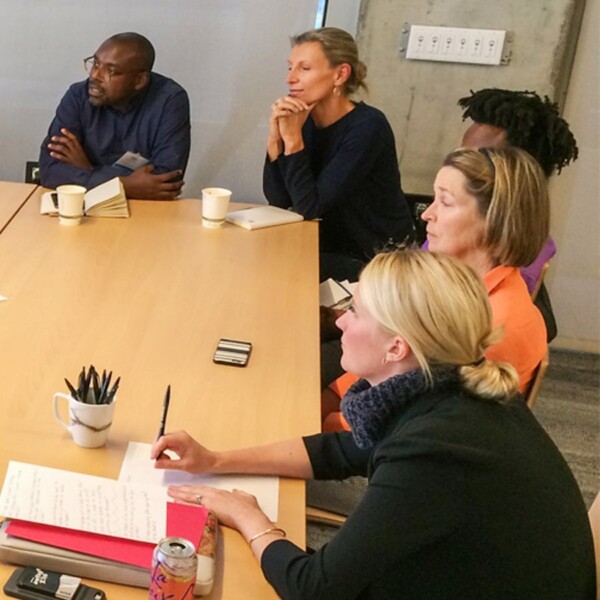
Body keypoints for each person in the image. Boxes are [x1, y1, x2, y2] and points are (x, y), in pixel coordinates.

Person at [152, 250, 595, 599]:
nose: (341, 320)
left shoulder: (436, 448)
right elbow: (344, 450)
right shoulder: (451, 387)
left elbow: (314, 589)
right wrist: (215, 459)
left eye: (356, 312)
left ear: (396, 348)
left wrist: (251, 519)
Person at [322, 147, 548, 431]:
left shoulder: (488, 328)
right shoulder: (458, 288)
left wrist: (312, 420)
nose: (428, 214)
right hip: (362, 394)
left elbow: (386, 424)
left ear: (494, 220)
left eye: (446, 202)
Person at [263, 27, 414, 282]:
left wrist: (293, 140)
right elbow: (278, 199)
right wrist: (275, 139)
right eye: (290, 67)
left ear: (340, 74)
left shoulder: (368, 126)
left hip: (376, 259)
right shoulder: (304, 120)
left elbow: (310, 207)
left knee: (274, 271)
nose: (291, 78)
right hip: (329, 247)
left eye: (304, 68)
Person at [39, 32, 191, 200]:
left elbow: (166, 181)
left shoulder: (170, 101)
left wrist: (88, 170)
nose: (95, 75)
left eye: (110, 71)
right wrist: (126, 186)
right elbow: (50, 170)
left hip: (145, 214)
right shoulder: (78, 96)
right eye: (95, 63)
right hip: (87, 207)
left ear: (139, 81)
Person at [458, 88, 578, 296]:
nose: (455, 167)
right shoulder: (457, 218)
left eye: (472, 160)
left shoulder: (519, 264)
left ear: (516, 172)